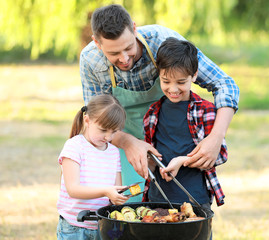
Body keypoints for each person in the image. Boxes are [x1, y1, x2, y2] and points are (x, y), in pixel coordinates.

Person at [80, 4, 239, 202]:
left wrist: (215, 137)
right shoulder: (90, 61)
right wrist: (128, 142)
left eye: (129, 47)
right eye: (114, 54)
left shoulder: (163, 41)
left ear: (134, 28)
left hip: (169, 142)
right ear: (97, 43)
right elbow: (97, 120)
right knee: (131, 213)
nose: (124, 58)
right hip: (120, 142)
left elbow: (225, 84)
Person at [143, 38, 227, 210]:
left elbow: (220, 155)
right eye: (166, 81)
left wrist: (182, 161)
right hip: (157, 199)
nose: (173, 89)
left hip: (195, 199)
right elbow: (151, 154)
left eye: (181, 82)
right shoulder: (152, 113)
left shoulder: (206, 111)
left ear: (194, 75)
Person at [56, 94, 129, 240]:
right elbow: (73, 189)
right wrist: (106, 191)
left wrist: (118, 196)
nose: (108, 137)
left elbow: (116, 188)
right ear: (87, 120)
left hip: (103, 226)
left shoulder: (114, 152)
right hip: (74, 227)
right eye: (103, 130)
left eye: (114, 132)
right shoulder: (75, 146)